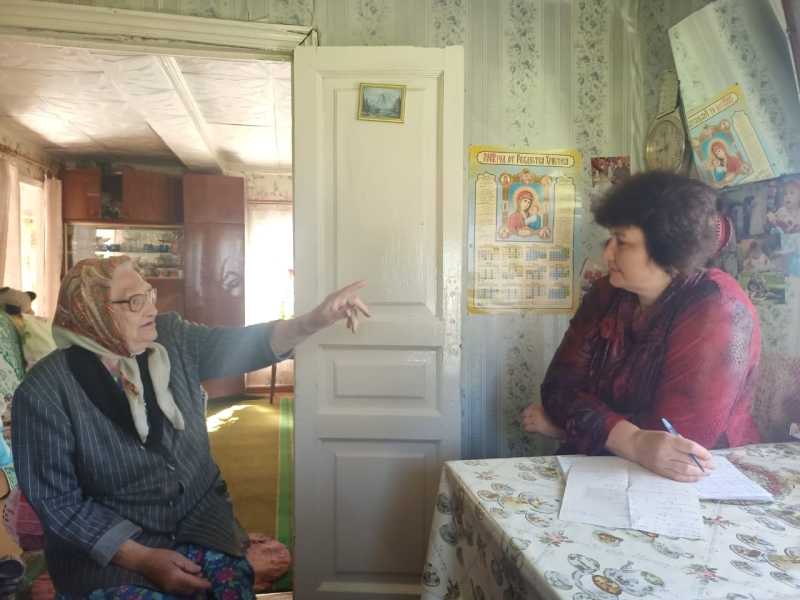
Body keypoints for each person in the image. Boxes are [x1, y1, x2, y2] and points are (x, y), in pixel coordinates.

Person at [11, 256, 369, 597]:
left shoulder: (171, 338)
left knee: (229, 587)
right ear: (91, 311)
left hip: (201, 524)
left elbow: (242, 346)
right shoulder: (44, 392)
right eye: (135, 301)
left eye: (150, 294)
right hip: (112, 553)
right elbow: (58, 503)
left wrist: (317, 318)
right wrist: (143, 559)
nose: (152, 309)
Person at [521, 172, 761, 482]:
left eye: (621, 242)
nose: (607, 253)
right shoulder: (607, 291)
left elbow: (675, 443)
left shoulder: (718, 308)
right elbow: (557, 388)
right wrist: (632, 440)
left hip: (699, 481)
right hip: (606, 469)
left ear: (668, 247)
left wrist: (569, 426)